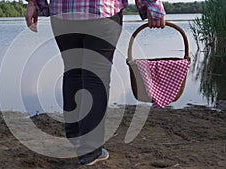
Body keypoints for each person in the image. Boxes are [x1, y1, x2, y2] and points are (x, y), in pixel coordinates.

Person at [25, 0, 166, 166]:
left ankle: (76, 138)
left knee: (73, 71)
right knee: (95, 78)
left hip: (62, 13)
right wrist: (152, 5)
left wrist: (34, 3)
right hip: (102, 11)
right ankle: (89, 150)